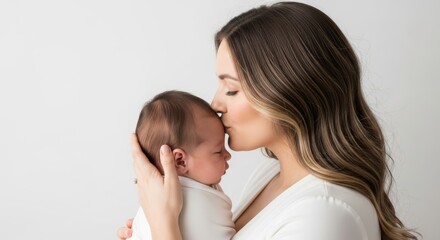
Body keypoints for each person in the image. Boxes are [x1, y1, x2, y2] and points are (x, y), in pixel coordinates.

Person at [119, 2, 418, 240]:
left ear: (286, 91)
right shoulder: (271, 175)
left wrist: (164, 227)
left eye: (231, 89)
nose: (215, 104)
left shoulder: (325, 215)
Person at [129, 90, 235, 240]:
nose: (228, 155)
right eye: (218, 151)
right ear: (180, 161)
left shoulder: (155, 204)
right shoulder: (198, 206)